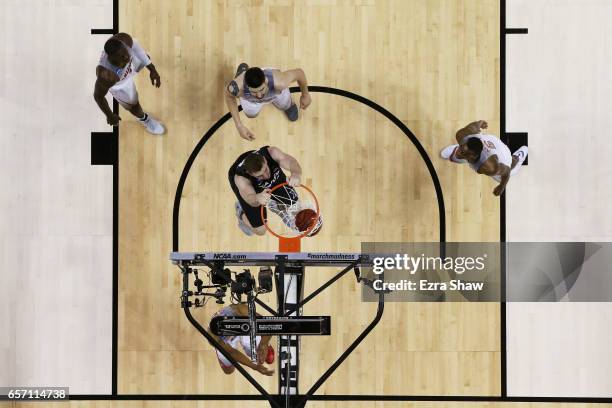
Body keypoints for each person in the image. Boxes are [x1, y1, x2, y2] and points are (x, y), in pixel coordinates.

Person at [94, 33, 165, 135]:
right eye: (122, 56)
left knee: (146, 57)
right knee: (134, 106)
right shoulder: (107, 75)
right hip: (120, 84)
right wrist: (109, 115)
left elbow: (136, 48)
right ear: (112, 58)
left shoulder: (124, 39)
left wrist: (152, 69)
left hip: (129, 68)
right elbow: (98, 96)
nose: (126, 56)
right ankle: (145, 120)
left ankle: (139, 65)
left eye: (125, 51)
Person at [224, 64, 311, 141]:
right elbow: (229, 97)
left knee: (285, 105)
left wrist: (305, 94)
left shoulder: (280, 81)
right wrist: (239, 126)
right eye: (254, 92)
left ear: (265, 81)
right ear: (246, 86)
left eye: (261, 89)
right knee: (251, 114)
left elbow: (299, 73)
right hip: (250, 100)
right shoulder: (237, 87)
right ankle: (242, 74)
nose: (259, 95)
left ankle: (289, 107)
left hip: (275, 93)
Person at [440, 120, 528, 196]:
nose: (458, 152)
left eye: (462, 151)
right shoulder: (462, 135)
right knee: (461, 152)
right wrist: (480, 122)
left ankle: (519, 156)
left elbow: (507, 170)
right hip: (490, 140)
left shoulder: (490, 167)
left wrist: (502, 187)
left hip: (503, 155)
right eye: (461, 146)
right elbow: (474, 125)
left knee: (505, 173)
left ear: (473, 155)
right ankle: (461, 152)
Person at [229, 146, 302, 236]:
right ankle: (241, 212)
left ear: (265, 160)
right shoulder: (241, 178)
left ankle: (277, 205)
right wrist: (257, 198)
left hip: (255, 164)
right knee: (261, 231)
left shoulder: (271, 153)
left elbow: (291, 162)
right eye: (260, 176)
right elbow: (250, 198)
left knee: (296, 207)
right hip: (249, 190)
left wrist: (296, 174)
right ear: (250, 173)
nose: (266, 176)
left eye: (266, 169)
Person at [209, 303, 275, 376]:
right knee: (228, 370)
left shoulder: (239, 309)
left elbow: (266, 324)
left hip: (245, 327)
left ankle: (263, 344)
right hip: (227, 341)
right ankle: (222, 351)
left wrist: (263, 343)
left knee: (262, 354)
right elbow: (231, 352)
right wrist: (254, 366)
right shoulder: (213, 338)